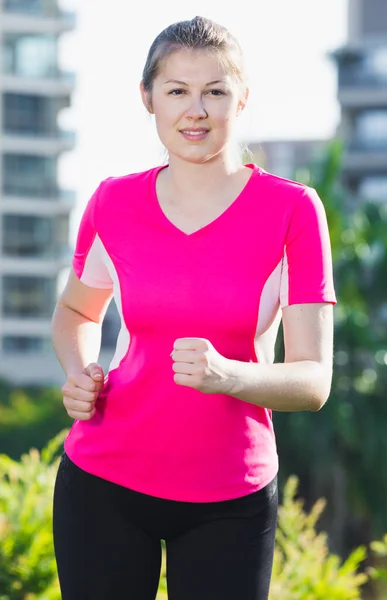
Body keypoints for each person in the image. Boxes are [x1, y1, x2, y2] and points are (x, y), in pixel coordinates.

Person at [51, 15, 336, 600]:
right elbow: (78, 314)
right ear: (148, 98)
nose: (196, 110)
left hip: (230, 496)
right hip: (103, 481)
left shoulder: (293, 211)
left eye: (215, 91)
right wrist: (80, 373)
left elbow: (314, 380)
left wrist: (229, 375)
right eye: (177, 90)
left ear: (243, 98)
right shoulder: (113, 201)